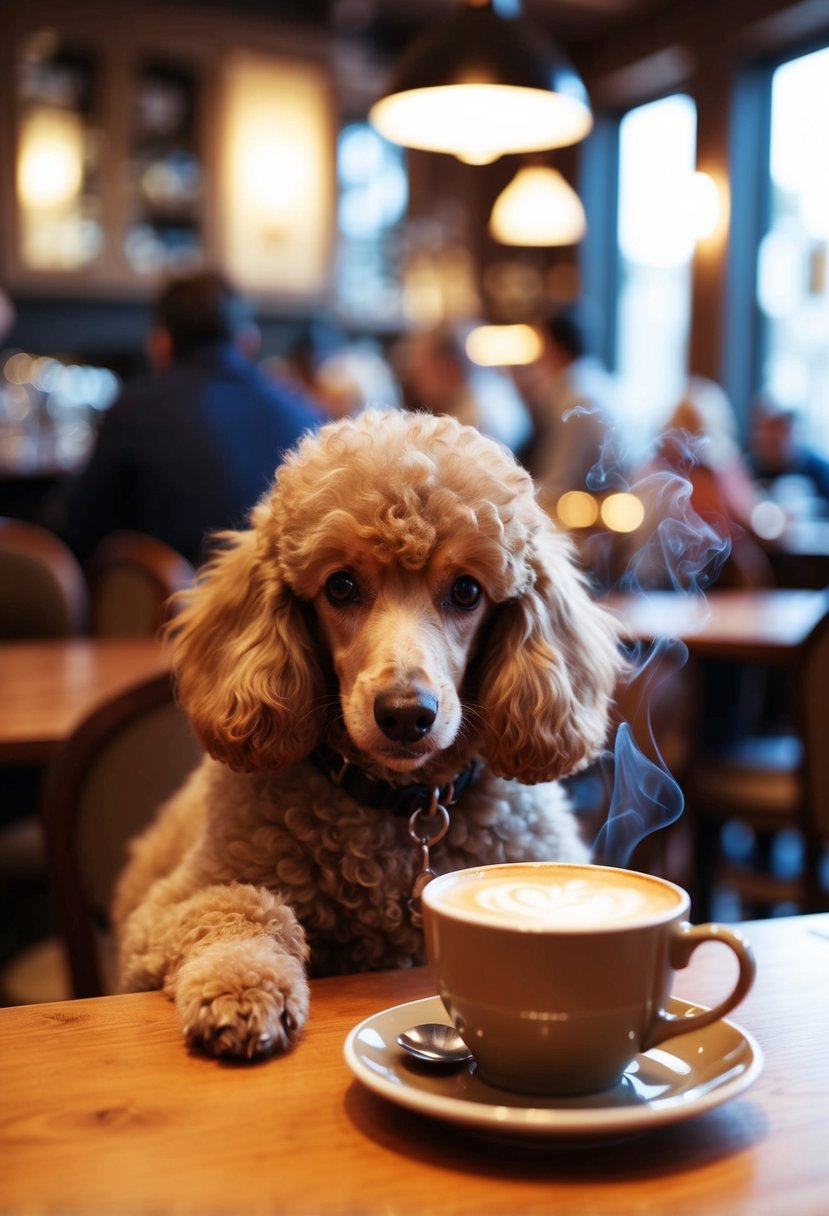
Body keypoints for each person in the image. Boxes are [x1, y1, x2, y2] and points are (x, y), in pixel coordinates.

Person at [56, 271, 322, 568]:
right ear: (248, 341)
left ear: (162, 343)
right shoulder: (304, 415)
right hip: (269, 607)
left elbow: (79, 527)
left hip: (163, 609)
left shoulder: (133, 410)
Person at [512, 312, 623, 513]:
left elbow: (559, 485)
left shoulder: (577, 403)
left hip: (588, 527)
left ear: (556, 349)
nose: (534, 359)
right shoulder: (589, 385)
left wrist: (507, 499)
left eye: (539, 347)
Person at [747, 394, 829, 513]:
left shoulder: (820, 472)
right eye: (764, 429)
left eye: (780, 428)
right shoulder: (745, 471)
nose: (772, 437)